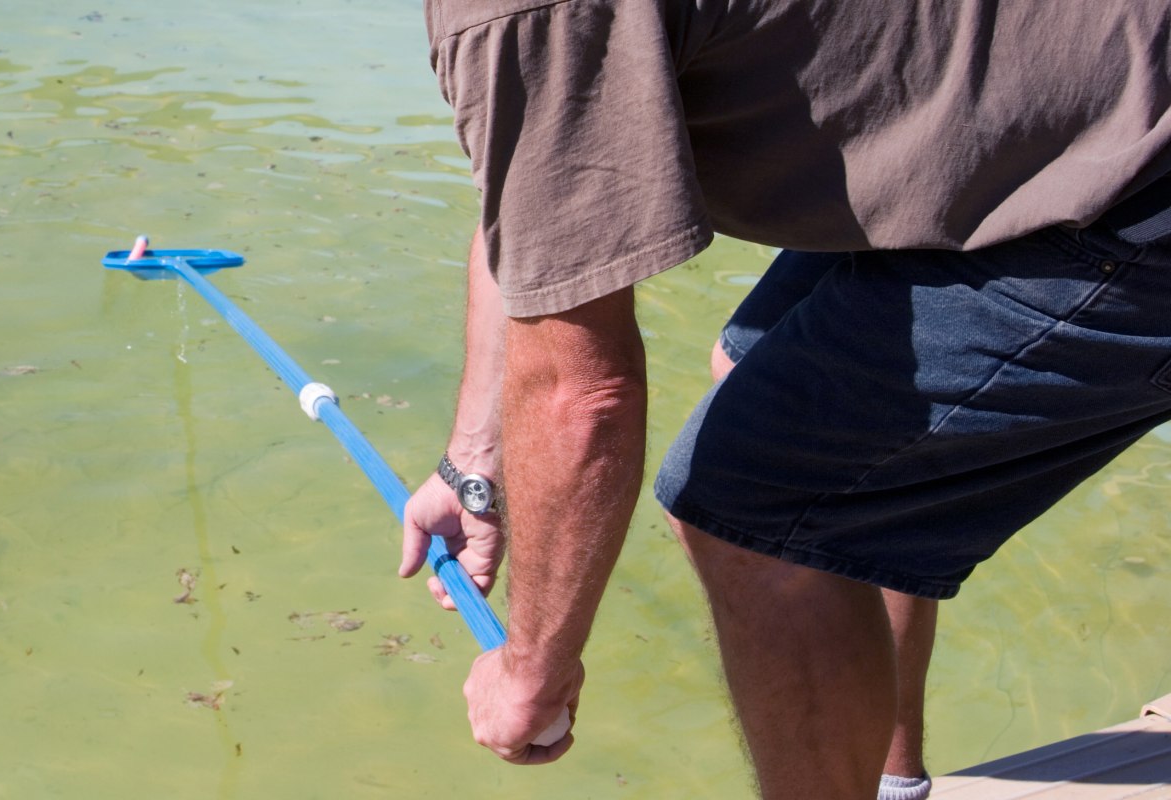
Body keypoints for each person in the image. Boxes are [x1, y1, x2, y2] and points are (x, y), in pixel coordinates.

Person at [395, 2, 1171, 799]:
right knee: (754, 379)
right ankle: (889, 787)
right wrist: (473, 468)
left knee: (752, 513)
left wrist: (531, 672)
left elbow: (582, 396)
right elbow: (531, 219)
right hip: (1057, 103)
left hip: (1137, 174)